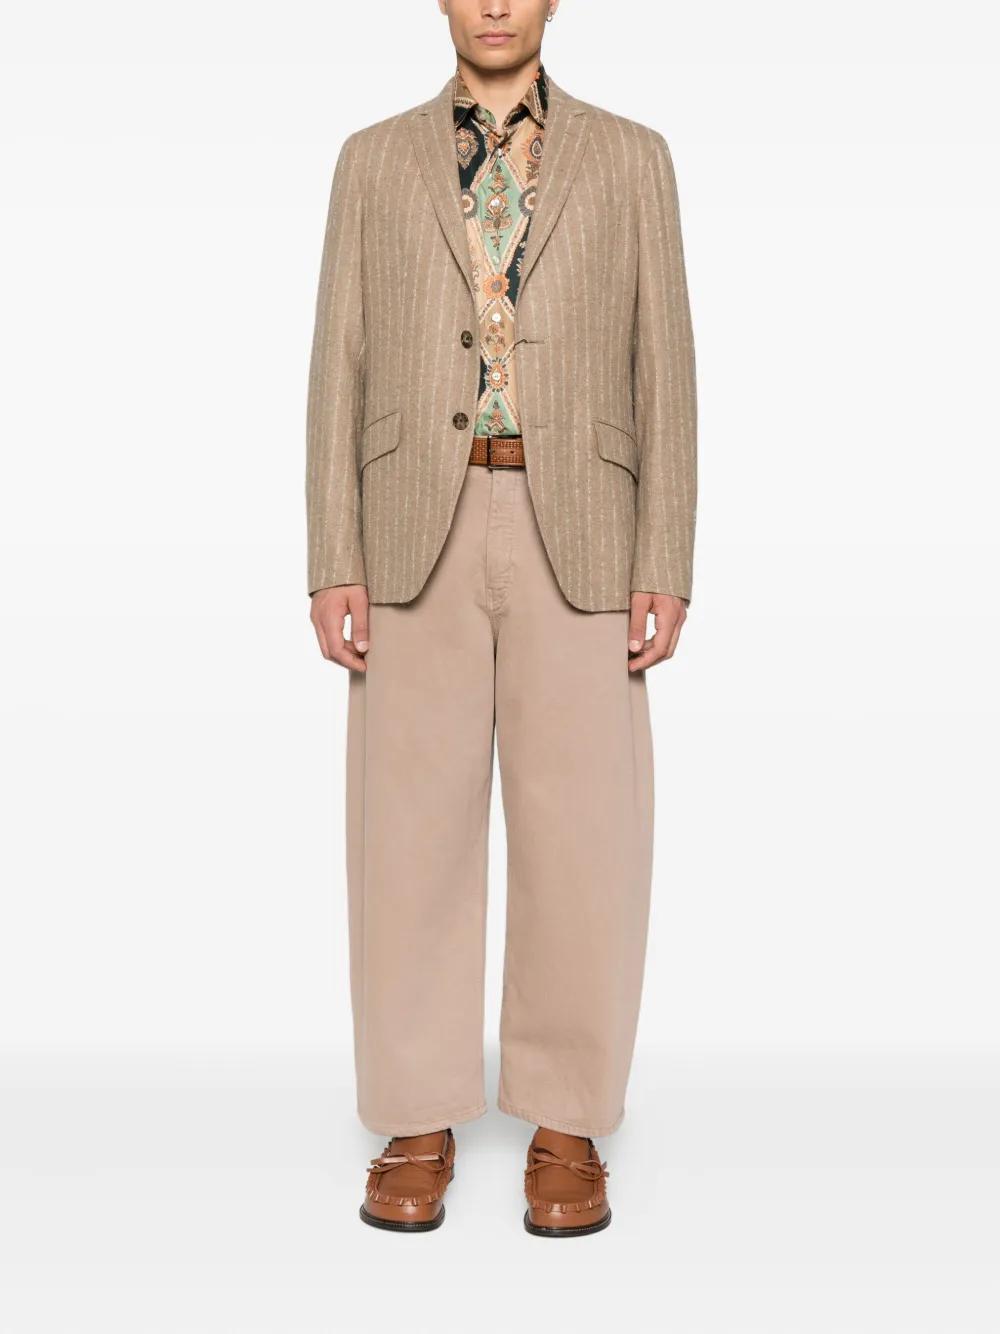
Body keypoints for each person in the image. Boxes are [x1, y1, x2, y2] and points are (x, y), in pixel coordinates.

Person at [306, 0, 696, 1237]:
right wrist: (331, 553)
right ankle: (415, 1113)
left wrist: (665, 553)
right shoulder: (372, 160)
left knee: (585, 834)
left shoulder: (632, 158)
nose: (492, 4)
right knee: (405, 835)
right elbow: (337, 362)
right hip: (410, 518)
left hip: (579, 521)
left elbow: (665, 365)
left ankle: (568, 1116)